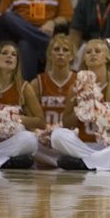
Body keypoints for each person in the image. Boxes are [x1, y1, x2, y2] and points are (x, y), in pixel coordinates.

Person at [51, 39, 110, 170]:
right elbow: (67, 123)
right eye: (88, 52)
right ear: (84, 59)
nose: (93, 54)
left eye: (97, 51)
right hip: (84, 144)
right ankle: (107, 162)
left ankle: (86, 163)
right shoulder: (76, 86)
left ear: (106, 58)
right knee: (57, 136)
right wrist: (82, 107)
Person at [0, 41, 45, 169]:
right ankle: (5, 160)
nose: (10, 56)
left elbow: (40, 122)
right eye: (4, 53)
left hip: (11, 141)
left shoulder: (24, 87)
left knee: (29, 139)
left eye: (14, 54)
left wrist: (14, 118)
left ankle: (0, 158)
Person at [30, 34, 77, 168]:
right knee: (27, 140)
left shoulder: (80, 81)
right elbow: (29, 115)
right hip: (43, 140)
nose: (61, 53)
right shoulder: (37, 82)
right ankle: (60, 162)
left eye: (65, 50)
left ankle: (58, 161)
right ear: (50, 55)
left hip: (69, 138)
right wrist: (38, 133)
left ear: (72, 56)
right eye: (56, 49)